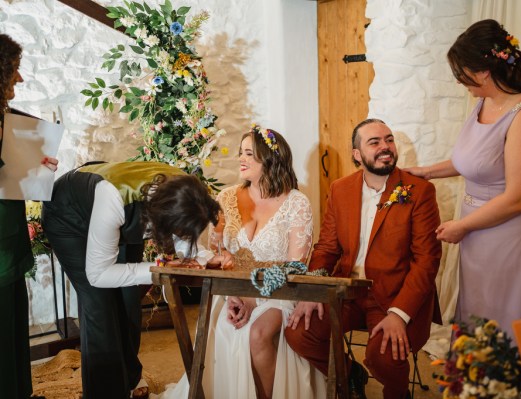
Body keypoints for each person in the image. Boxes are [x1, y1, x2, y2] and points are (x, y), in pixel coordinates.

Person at [405, 19, 521, 332]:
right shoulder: (484, 101)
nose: (458, 81)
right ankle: (480, 379)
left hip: (517, 237)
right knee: (483, 319)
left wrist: (462, 226)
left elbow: (518, 197)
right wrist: (426, 172)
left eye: (461, 72)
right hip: (482, 235)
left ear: (483, 70)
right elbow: (477, 161)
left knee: (510, 323)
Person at [159, 125, 325, 399]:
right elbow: (217, 255)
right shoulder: (225, 197)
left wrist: (253, 299)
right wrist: (236, 292)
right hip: (232, 289)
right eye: (241, 152)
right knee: (226, 327)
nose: (241, 159)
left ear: (271, 160)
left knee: (258, 333)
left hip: (280, 291)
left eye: (249, 153)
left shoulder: (297, 203)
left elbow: (296, 266)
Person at [42, 162, 228, 399]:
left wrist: (204, 258)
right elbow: (98, 274)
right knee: (99, 303)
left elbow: (184, 236)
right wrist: (159, 267)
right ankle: (106, 392)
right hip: (68, 217)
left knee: (129, 299)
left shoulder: (189, 193)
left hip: (121, 215)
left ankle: (130, 378)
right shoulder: (113, 199)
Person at [285, 119, 442, 399]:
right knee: (299, 333)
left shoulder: (419, 192)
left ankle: (397, 393)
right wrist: (311, 289)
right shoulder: (340, 189)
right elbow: (327, 248)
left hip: (395, 295)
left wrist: (399, 313)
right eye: (375, 142)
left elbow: (426, 261)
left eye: (389, 140)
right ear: (357, 154)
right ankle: (349, 373)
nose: (385, 147)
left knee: (383, 354)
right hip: (347, 291)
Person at [0, 33, 58, 399]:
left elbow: (12, 178)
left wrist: (37, 166)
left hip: (10, 232)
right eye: (15, 70)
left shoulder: (7, 117)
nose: (19, 79)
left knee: (13, 326)